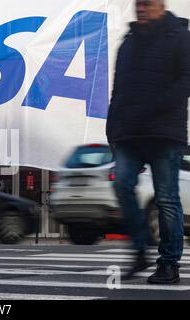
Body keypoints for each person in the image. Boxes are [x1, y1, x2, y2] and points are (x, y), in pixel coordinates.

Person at [106, 0, 190, 284]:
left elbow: (186, 81)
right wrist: (112, 130)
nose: (140, 9)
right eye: (138, 4)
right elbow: (117, 91)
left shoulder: (179, 36)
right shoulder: (127, 43)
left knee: (166, 198)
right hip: (130, 133)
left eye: (147, 4)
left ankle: (169, 264)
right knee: (121, 184)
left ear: (161, 6)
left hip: (165, 133)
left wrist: (156, 107)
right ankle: (140, 249)